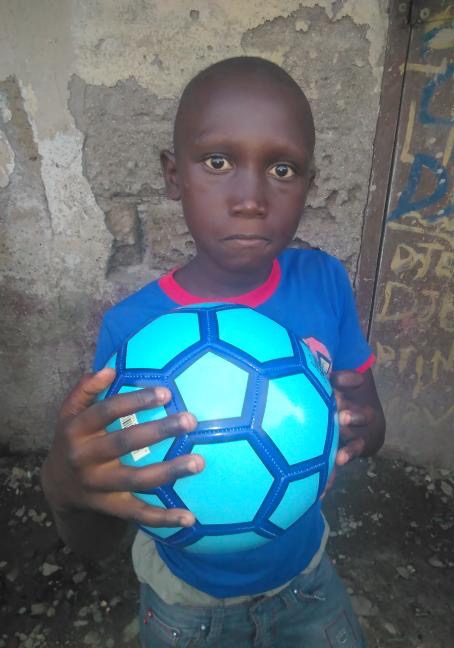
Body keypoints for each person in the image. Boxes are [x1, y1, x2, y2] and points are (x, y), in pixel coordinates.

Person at [41, 57, 385, 647]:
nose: (250, 199)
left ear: (310, 182)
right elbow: (101, 535)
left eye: (282, 168)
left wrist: (365, 430)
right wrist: (64, 489)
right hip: (184, 603)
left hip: (306, 578)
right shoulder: (135, 332)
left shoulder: (323, 282)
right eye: (218, 162)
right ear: (174, 175)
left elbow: (367, 425)